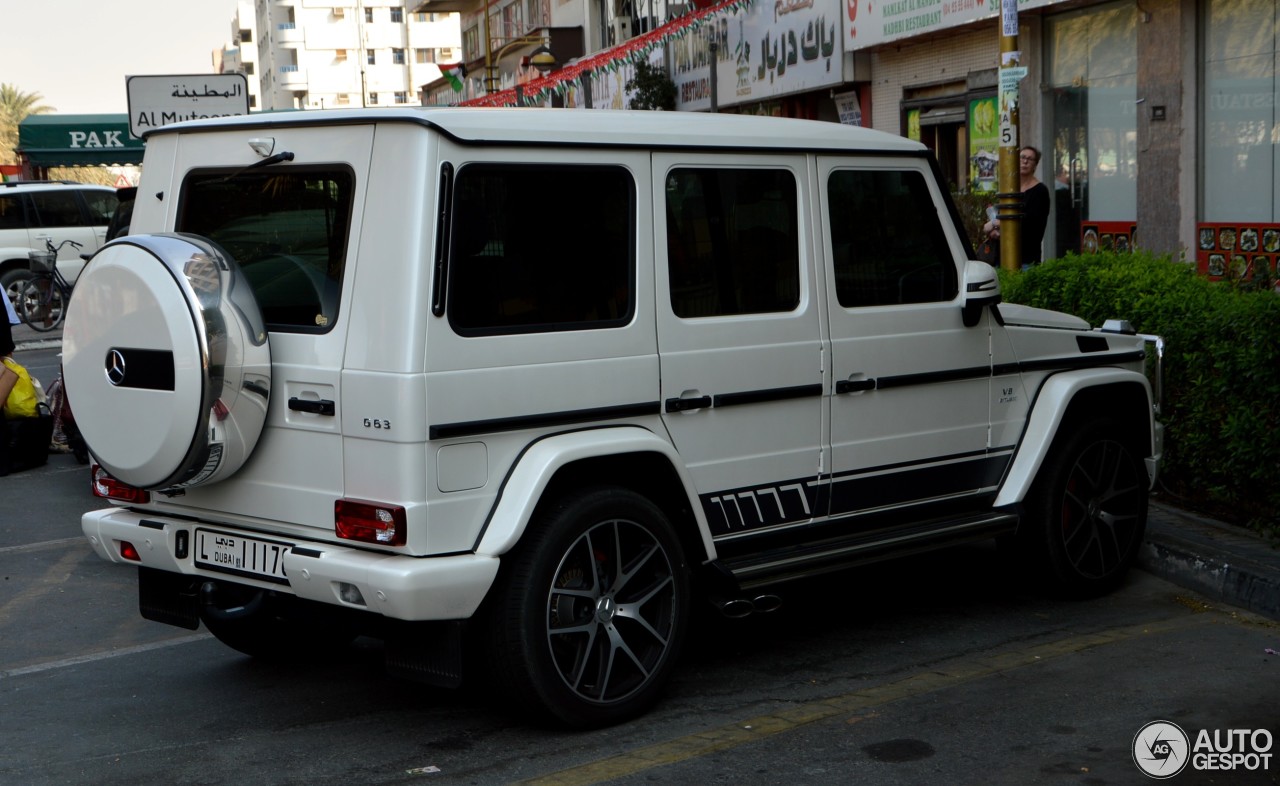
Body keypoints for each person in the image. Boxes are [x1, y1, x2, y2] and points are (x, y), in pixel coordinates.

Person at [980, 146, 1052, 266]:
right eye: (1022, 157)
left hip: (1025, 259)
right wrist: (994, 232)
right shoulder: (1009, 188)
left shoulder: (1040, 191)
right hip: (1001, 257)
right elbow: (998, 213)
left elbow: (1031, 224)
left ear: (1035, 165)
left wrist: (995, 223)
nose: (1025, 161)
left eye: (1030, 159)